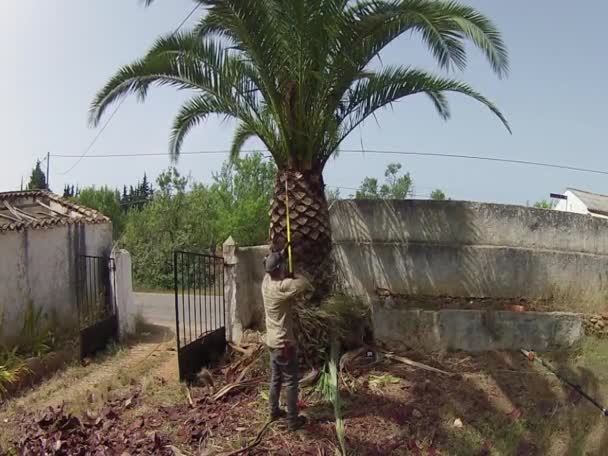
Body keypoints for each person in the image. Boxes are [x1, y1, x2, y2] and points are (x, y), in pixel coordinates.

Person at [261, 249, 313, 431]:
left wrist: (281, 256)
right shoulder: (282, 287)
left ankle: (273, 411)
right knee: (291, 382)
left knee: (276, 378)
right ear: (280, 269)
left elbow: (271, 268)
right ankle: (292, 421)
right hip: (284, 344)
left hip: (271, 342)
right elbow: (304, 284)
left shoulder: (266, 282)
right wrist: (293, 272)